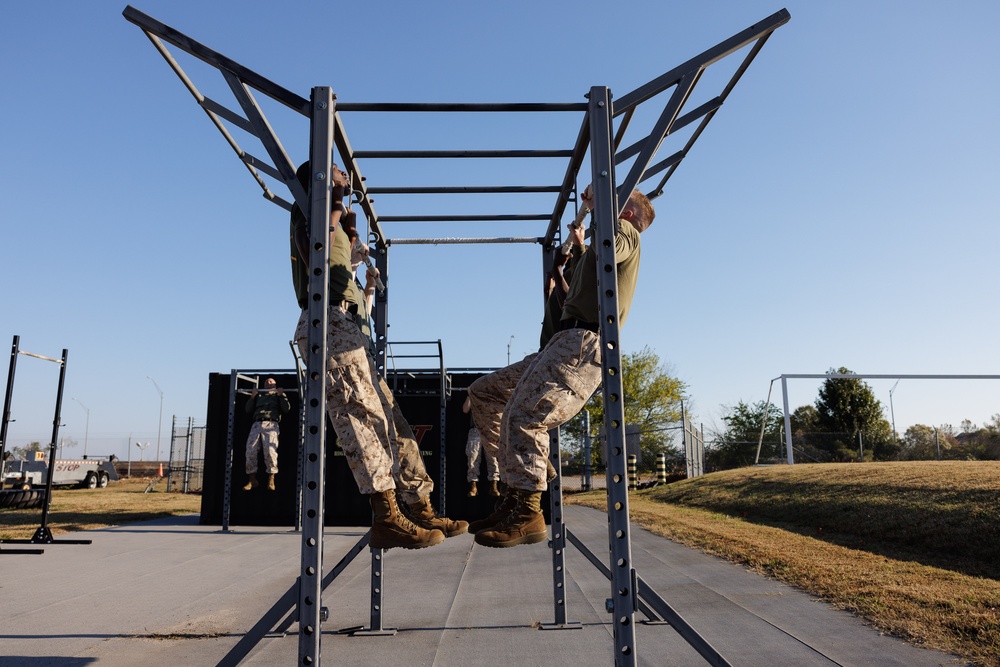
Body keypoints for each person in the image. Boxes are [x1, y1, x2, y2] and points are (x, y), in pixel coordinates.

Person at [474, 186, 655, 548]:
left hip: (584, 345)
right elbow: (583, 280)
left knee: (526, 416)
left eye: (617, 198)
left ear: (629, 214)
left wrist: (595, 207)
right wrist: (577, 248)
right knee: (486, 393)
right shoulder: (602, 242)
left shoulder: (628, 235)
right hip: (562, 341)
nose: (610, 198)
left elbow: (612, 248)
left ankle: (527, 513)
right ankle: (517, 489)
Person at [289, 161, 453, 550]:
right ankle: (387, 516)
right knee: (363, 421)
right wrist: (335, 205)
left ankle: (419, 505)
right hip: (326, 321)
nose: (348, 178)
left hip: (348, 326)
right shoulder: (308, 211)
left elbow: (342, 251)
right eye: (339, 174)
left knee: (392, 425)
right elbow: (317, 255)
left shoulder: (335, 219)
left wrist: (348, 222)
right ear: (322, 180)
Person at [345, 238, 468, 537]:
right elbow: (340, 274)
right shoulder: (340, 283)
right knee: (372, 435)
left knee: (402, 437)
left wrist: (370, 283)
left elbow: (366, 304)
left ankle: (422, 508)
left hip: (367, 361)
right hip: (349, 355)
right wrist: (354, 260)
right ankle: (390, 515)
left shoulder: (359, 295)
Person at [242, 377, 290, 492]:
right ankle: (252, 479)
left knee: (270, 451)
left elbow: (286, 408)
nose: (268, 382)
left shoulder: (277, 396)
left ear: (275, 385)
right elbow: (248, 409)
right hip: (257, 423)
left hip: (271, 424)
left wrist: (281, 395)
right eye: (266, 382)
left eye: (271, 381)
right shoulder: (259, 396)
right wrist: (252, 396)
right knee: (250, 450)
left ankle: (271, 478)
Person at [461, 396, 499, 498]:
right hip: (476, 429)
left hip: (490, 430)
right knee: (473, 456)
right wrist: (470, 394)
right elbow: (465, 409)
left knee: (493, 458)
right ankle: (473, 485)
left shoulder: (493, 395)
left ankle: (493, 485)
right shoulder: (474, 396)